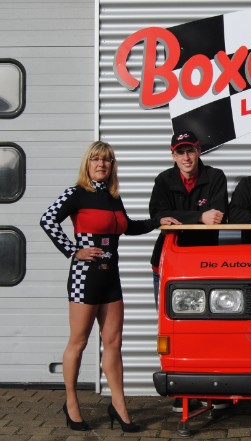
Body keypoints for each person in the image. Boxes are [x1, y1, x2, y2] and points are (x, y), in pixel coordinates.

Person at [40, 141, 178, 432]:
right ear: (87, 163)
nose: (101, 164)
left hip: (110, 278)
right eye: (95, 159)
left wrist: (157, 221)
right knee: (78, 342)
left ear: (112, 165)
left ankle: (119, 406)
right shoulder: (76, 193)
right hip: (85, 277)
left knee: (114, 343)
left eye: (106, 160)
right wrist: (73, 250)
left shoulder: (113, 197)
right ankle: (71, 404)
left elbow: (127, 227)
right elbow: (47, 219)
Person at [149, 130, 228, 412]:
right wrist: (199, 217)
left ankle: (213, 388)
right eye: (180, 152)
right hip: (168, 265)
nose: (186, 157)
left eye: (190, 151)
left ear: (199, 152)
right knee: (174, 328)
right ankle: (181, 390)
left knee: (211, 327)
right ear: (173, 155)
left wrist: (182, 218)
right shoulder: (163, 180)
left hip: (205, 265)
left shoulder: (215, 177)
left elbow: (218, 216)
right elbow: (158, 216)